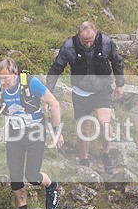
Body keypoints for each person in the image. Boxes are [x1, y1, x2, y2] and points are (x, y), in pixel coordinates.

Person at [0, 57, 64, 209]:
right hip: (14, 131)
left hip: (35, 131)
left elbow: (54, 103)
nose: (3, 82)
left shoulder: (31, 83)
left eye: (6, 78)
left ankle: (51, 185)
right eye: (0, 78)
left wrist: (56, 131)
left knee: (31, 175)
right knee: (15, 173)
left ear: (15, 73)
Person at [46, 21, 125, 175]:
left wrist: (120, 84)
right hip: (80, 92)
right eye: (84, 42)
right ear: (78, 36)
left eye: (91, 41)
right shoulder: (69, 47)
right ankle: (84, 159)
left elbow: (117, 62)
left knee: (104, 123)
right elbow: (56, 69)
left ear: (96, 35)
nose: (88, 45)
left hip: (102, 90)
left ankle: (106, 154)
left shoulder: (106, 43)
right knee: (84, 129)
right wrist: (48, 94)